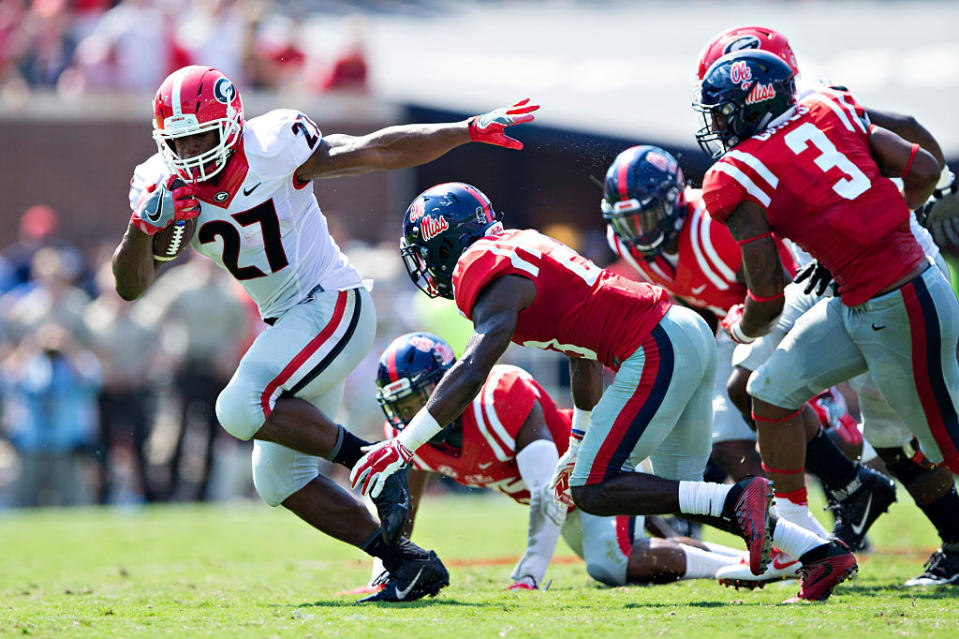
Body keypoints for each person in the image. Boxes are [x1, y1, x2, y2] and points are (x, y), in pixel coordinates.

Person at [110, 64, 538, 603]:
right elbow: (132, 286)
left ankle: (368, 461)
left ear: (233, 122)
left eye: (201, 135)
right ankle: (404, 563)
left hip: (331, 302)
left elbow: (376, 150)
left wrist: (463, 130)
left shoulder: (275, 143)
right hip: (288, 326)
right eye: (180, 140)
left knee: (237, 407)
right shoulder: (158, 180)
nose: (192, 151)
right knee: (278, 481)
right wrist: (143, 227)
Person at [350, 182, 857, 602]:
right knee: (682, 494)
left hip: (654, 344)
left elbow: (476, 364)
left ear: (444, 241)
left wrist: (403, 443)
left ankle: (751, 505)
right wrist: (576, 442)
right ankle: (818, 552)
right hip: (683, 332)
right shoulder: (518, 246)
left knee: (596, 489)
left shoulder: (485, 265)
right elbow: (580, 348)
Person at [697, 26, 959, 587]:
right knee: (767, 391)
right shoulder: (828, 106)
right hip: (854, 291)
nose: (715, 127)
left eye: (722, 112)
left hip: (897, 296)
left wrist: (740, 328)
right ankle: (799, 538)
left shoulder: (734, 175)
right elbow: (921, 164)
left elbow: (765, 298)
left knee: (937, 437)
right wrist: (884, 218)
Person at [358, 332, 746, 591]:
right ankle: (750, 562)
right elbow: (399, 514)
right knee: (634, 557)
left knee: (612, 563)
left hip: (599, 468)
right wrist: (384, 573)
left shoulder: (500, 398)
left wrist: (530, 572)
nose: (413, 415)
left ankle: (749, 564)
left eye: (419, 400)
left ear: (447, 384)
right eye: (402, 407)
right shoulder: (413, 439)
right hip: (572, 499)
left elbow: (547, 489)